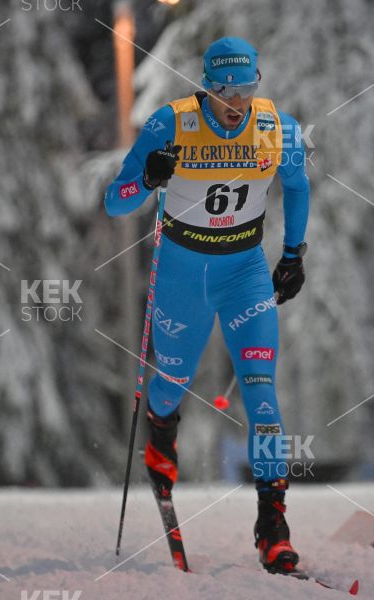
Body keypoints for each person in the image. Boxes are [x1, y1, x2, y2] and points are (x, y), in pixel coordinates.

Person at [104, 36, 310, 574]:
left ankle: (273, 526)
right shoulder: (169, 125)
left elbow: (297, 185)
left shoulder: (277, 128)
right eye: (224, 91)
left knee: (261, 395)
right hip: (183, 275)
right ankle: (161, 433)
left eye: (245, 89)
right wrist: (147, 179)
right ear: (206, 87)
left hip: (244, 274)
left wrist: (293, 254)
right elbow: (115, 201)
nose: (236, 102)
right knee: (173, 381)